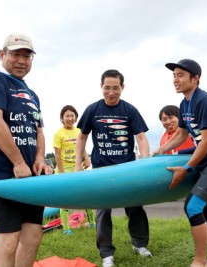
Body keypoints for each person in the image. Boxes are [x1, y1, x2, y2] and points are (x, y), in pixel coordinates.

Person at [0, 33, 52, 267]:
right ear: (2, 55)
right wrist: (18, 162)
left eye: (27, 55)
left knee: (33, 236)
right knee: (7, 242)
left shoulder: (32, 94)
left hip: (29, 178)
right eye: (16, 53)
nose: (21, 60)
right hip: (0, 176)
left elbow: (39, 130)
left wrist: (39, 158)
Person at [153, 59, 207, 267]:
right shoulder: (184, 104)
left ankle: (200, 261)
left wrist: (187, 168)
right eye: (174, 75)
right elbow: (182, 135)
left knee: (193, 207)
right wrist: (159, 151)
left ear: (195, 78)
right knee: (206, 210)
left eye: (180, 75)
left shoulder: (204, 101)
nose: (175, 80)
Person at [74, 69, 152, 267]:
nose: (111, 92)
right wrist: (77, 164)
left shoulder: (130, 110)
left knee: (135, 206)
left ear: (122, 88)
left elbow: (141, 137)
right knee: (103, 211)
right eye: (107, 88)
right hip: (101, 170)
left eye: (115, 88)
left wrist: (144, 163)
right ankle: (106, 253)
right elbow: (81, 137)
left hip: (128, 169)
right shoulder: (93, 110)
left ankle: (139, 244)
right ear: (101, 87)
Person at [53, 104, 94, 235]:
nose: (70, 118)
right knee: (63, 200)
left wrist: (86, 159)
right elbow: (57, 155)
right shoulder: (58, 134)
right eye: (67, 116)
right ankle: (66, 229)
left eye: (72, 116)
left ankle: (92, 222)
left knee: (87, 195)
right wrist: (61, 173)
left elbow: (82, 147)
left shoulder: (78, 131)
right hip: (63, 169)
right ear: (62, 118)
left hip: (78, 168)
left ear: (76, 117)